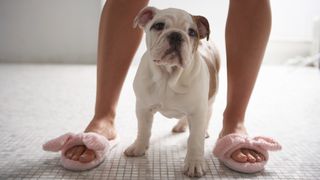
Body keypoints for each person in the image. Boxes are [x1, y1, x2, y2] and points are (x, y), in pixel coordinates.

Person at [64, 0, 272, 169]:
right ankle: (104, 117)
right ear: (143, 22)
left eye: (190, 33)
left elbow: (197, 112)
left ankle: (233, 121)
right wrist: (141, 141)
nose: (175, 38)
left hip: (198, 88)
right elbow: (143, 109)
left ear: (200, 36)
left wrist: (195, 155)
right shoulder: (143, 78)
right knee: (145, 106)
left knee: (202, 107)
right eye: (159, 26)